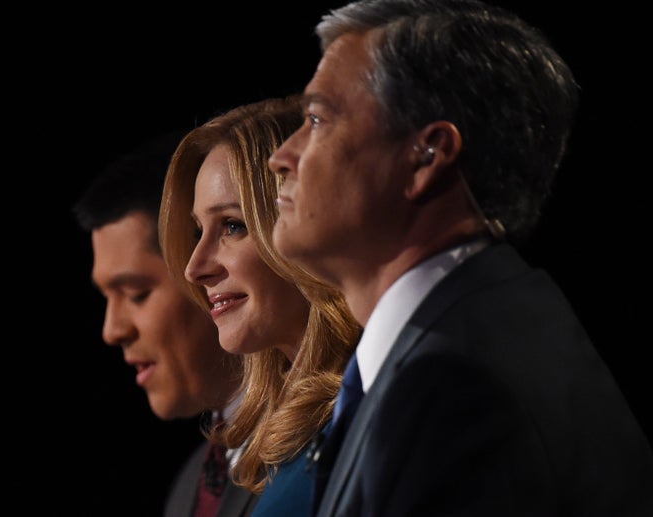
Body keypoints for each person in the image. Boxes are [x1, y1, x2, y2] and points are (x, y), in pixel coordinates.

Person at [268, 0, 653, 515]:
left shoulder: (453, 386)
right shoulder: (486, 328)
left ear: (427, 156)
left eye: (317, 119)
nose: (281, 157)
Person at [159, 96, 361, 516]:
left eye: (233, 225)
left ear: (306, 228)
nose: (195, 268)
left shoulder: (377, 407)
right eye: (198, 231)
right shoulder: (277, 436)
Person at [72, 132, 258, 517]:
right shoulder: (190, 483)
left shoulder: (318, 446)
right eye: (106, 298)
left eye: (137, 293)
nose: (112, 330)